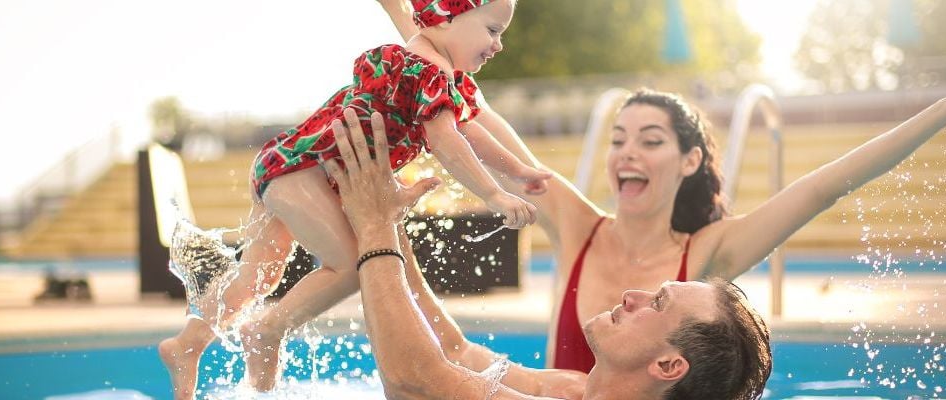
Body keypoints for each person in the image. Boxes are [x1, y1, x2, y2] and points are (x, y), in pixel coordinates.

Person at [374, 0, 946, 372]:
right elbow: (469, 99)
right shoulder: (577, 227)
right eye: (619, 139)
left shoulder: (704, 261)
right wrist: (410, 23)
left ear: (687, 162)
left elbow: (826, 187)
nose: (627, 154)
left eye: (650, 141)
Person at [159, 1, 551, 398]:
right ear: (447, 17)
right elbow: (448, 141)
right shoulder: (426, 71)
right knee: (350, 265)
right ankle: (266, 331)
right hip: (302, 172)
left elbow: (467, 131)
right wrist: (494, 194)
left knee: (260, 276)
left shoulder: (435, 74)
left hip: (287, 165)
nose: (498, 45)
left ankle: (188, 344)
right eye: (493, 30)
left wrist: (518, 171)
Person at [326, 110, 772, 399]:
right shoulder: (573, 389)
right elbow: (453, 351)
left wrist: (374, 228)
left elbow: (413, 381)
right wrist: (389, 217)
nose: (634, 295)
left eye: (658, 303)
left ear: (669, 365)